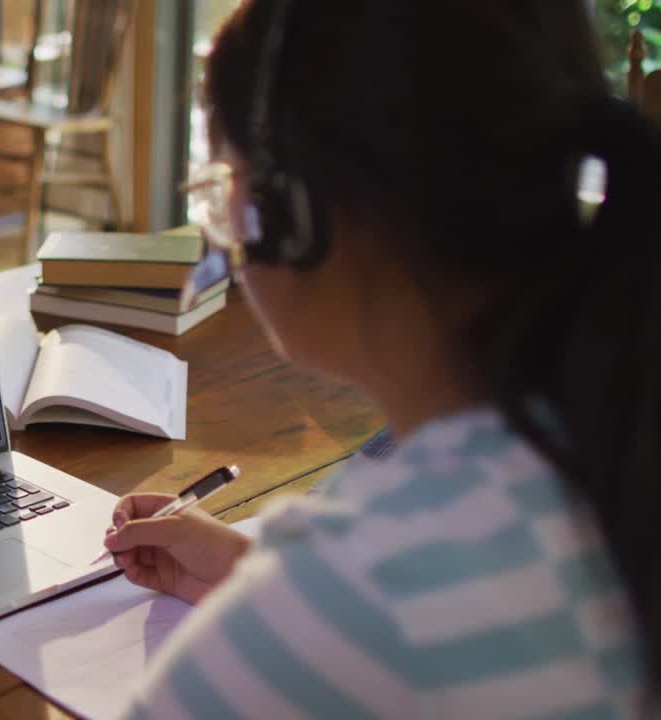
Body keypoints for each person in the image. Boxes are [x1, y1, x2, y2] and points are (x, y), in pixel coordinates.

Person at [103, 2, 656, 717]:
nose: (227, 231)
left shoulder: (363, 588)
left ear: (297, 211)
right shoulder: (607, 435)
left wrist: (296, 611)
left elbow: (390, 608)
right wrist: (259, 581)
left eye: (224, 185)